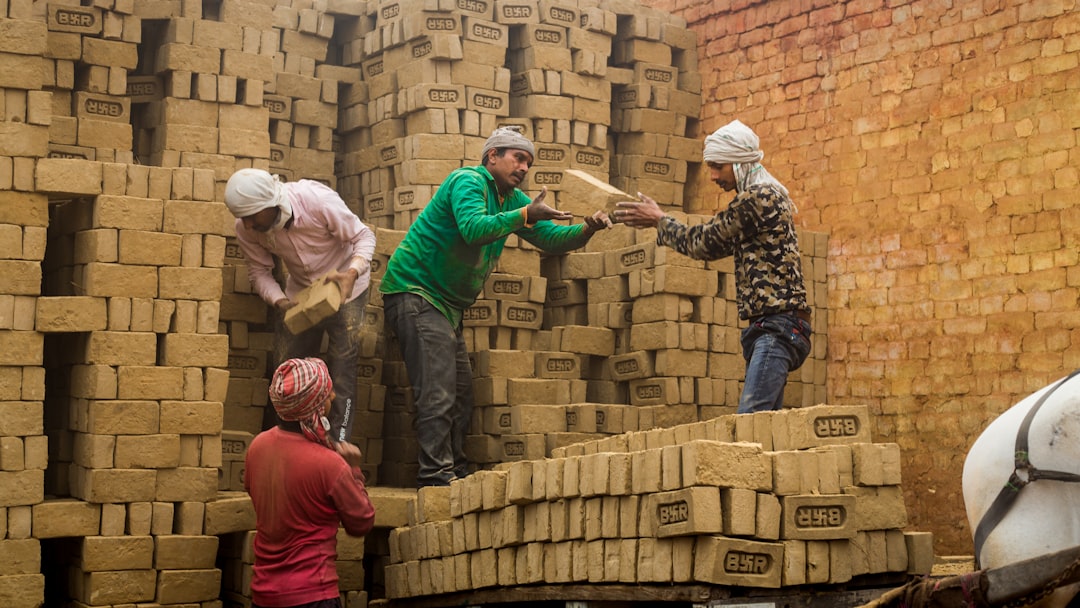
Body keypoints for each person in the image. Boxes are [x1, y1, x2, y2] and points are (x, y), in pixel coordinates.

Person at [380, 127, 612, 487]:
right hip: (417, 292)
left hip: (447, 306)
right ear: (492, 156)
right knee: (438, 392)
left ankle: (454, 472)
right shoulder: (468, 181)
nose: (523, 167)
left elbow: (549, 239)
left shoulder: (510, 198)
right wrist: (525, 214)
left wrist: (587, 229)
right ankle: (436, 477)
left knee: (460, 395)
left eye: (528, 162)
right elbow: (473, 228)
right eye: (517, 158)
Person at [615, 119, 812, 414]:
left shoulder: (758, 198)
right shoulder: (763, 196)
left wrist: (659, 220)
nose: (712, 176)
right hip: (769, 326)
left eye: (718, 166)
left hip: (779, 328)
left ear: (738, 162)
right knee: (769, 431)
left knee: (750, 421)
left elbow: (703, 242)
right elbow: (710, 247)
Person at [225, 168, 376, 444]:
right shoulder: (249, 228)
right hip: (301, 295)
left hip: (346, 287)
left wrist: (350, 274)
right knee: (286, 369)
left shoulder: (315, 200)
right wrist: (282, 302)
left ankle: (338, 443)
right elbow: (259, 272)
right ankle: (289, 442)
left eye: (250, 217)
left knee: (342, 366)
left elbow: (364, 237)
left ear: (271, 204)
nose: (246, 225)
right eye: (242, 219)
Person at [244, 357, 375, 608]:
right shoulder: (330, 464)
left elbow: (255, 493)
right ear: (314, 405)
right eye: (327, 393)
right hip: (313, 595)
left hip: (263, 595)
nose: (334, 397)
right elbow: (362, 521)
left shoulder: (257, 447)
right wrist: (354, 470)